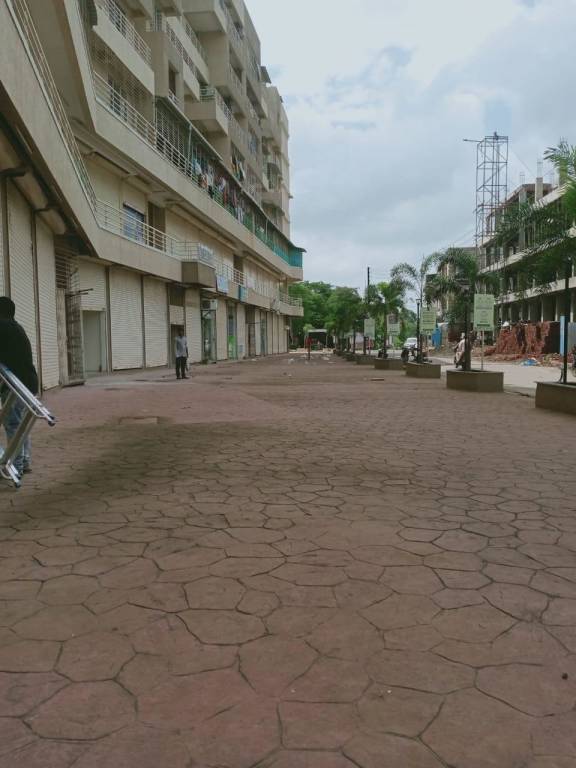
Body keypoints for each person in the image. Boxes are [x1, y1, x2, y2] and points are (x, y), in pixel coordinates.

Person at [0, 297, 38, 475]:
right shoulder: (16, 327)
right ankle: (25, 461)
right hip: (28, 383)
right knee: (21, 424)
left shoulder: (2, 327)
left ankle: (17, 466)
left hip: (15, 386)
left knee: (13, 424)